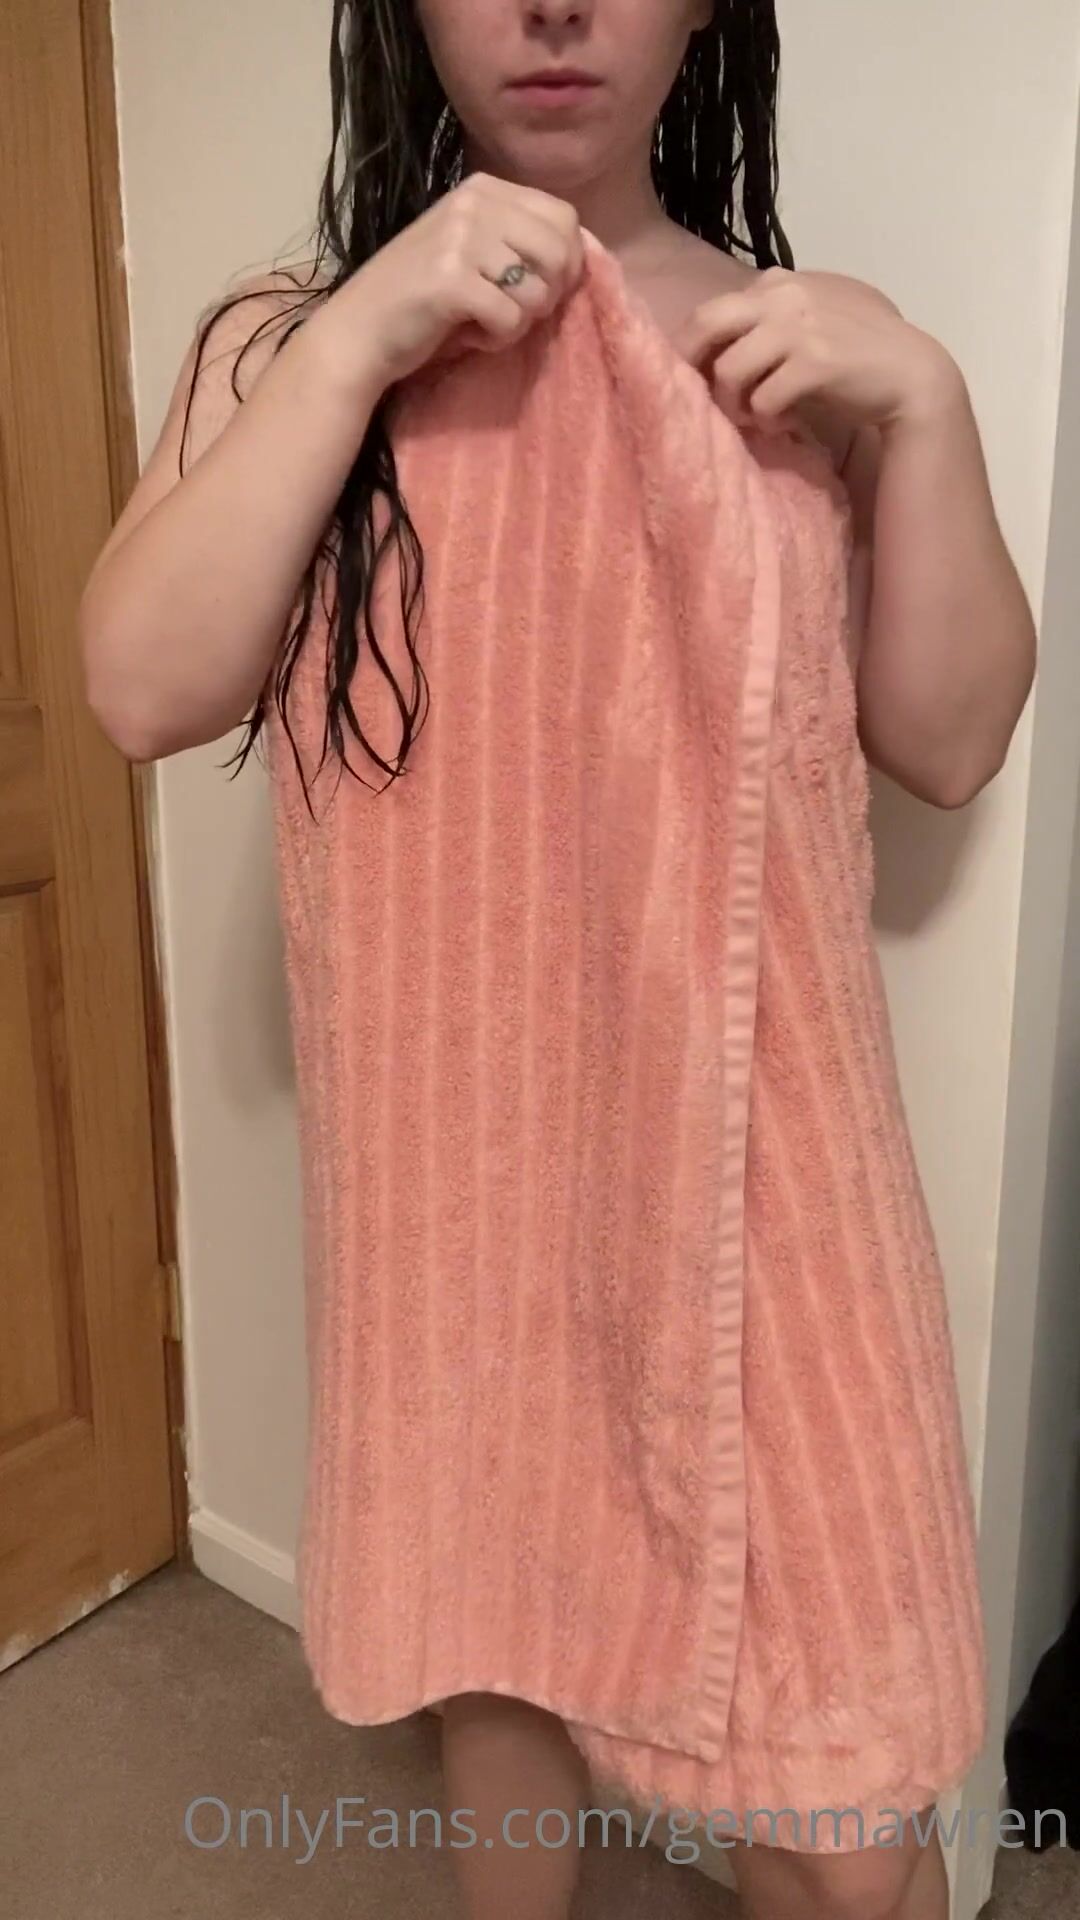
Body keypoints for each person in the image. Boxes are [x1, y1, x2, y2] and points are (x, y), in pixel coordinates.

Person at [78, 4, 1036, 1917]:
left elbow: (946, 741)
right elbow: (140, 685)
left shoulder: (804, 346)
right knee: (495, 1630)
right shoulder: (292, 343)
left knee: (854, 1816)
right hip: (467, 1176)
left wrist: (928, 406)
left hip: (774, 1175)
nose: (554, 8)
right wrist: (359, 335)